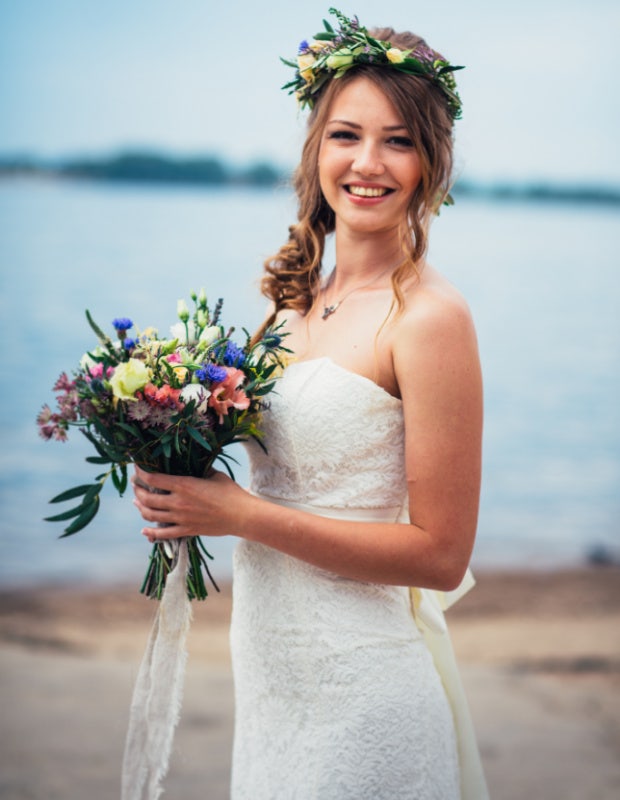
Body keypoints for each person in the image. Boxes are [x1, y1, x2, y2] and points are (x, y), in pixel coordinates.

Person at [132, 9, 488, 799]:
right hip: (270, 684)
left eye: (399, 140)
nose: (369, 163)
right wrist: (171, 470)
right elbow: (271, 465)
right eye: (346, 135)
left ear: (432, 162)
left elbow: (440, 554)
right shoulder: (292, 305)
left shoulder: (431, 319)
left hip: (363, 694)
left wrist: (239, 516)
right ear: (315, 148)